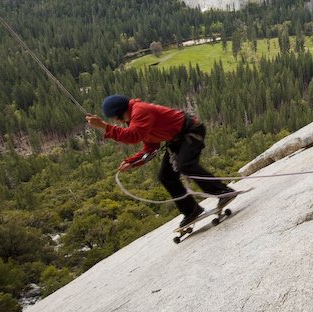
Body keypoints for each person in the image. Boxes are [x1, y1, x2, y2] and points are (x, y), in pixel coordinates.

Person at [86, 95, 236, 228]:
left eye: (115, 118)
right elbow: (150, 146)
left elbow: (133, 136)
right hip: (178, 139)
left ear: (119, 114)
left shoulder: (140, 111)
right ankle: (191, 210)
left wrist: (104, 127)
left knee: (185, 165)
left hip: (190, 132)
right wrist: (132, 162)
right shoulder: (134, 117)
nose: (116, 121)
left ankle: (222, 192)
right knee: (166, 176)